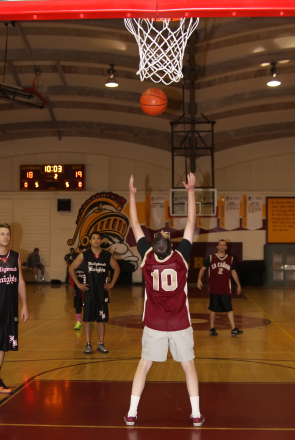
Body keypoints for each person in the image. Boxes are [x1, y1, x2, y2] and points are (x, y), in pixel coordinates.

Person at [124, 173, 204, 428]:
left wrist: (133, 196)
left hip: (155, 322)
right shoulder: (181, 258)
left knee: (144, 365)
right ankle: (195, 415)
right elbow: (192, 221)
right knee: (188, 366)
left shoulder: (147, 256)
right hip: (179, 321)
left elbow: (134, 226)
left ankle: (132, 413)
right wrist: (191, 191)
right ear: (170, 245)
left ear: (153, 246)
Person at [69, 232, 120, 354]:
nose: (96, 240)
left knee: (101, 320)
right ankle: (88, 344)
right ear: (90, 241)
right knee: (87, 319)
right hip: (88, 292)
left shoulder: (107, 255)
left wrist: (112, 283)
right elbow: (71, 268)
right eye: (94, 238)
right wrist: (78, 284)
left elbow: (117, 268)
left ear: (101, 241)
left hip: (102, 292)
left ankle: (101, 344)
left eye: (98, 238)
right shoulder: (85, 255)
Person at [0, 223, 29, 394]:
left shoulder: (15, 257)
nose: (5, 237)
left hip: (9, 308)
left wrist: (24, 304)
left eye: (8, 234)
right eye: (2, 233)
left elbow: (20, 281)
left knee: (3, 345)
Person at [197, 239, 243, 337]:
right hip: (214, 288)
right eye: (220, 245)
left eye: (224, 245)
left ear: (226, 247)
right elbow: (203, 269)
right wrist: (199, 279)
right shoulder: (211, 257)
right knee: (213, 309)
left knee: (229, 309)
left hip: (225, 288)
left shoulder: (230, 259)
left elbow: (233, 272)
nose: (222, 246)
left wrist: (238, 284)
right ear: (217, 247)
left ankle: (233, 329)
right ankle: (212, 328)